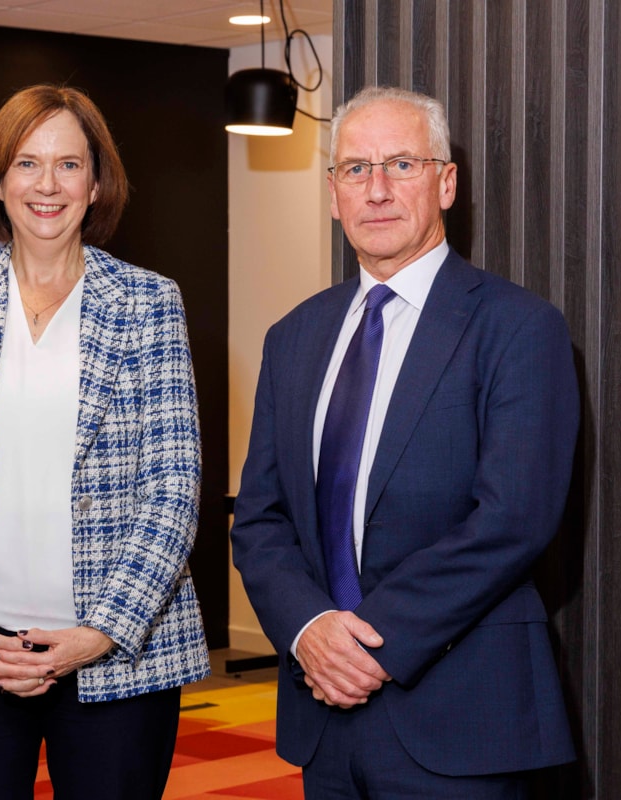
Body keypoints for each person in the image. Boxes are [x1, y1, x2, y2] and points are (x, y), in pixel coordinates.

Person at [231, 85, 579, 798]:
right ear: (333, 194)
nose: (377, 189)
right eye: (356, 169)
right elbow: (262, 520)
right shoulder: (293, 337)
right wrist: (310, 631)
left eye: (402, 164)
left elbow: (513, 518)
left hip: (462, 719)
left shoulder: (518, 328)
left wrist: (366, 645)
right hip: (322, 715)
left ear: (446, 182)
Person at [0, 84, 209, 800]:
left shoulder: (152, 304)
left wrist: (98, 635)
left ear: (97, 185)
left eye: (69, 165)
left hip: (117, 660)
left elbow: (172, 490)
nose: (47, 184)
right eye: (28, 163)